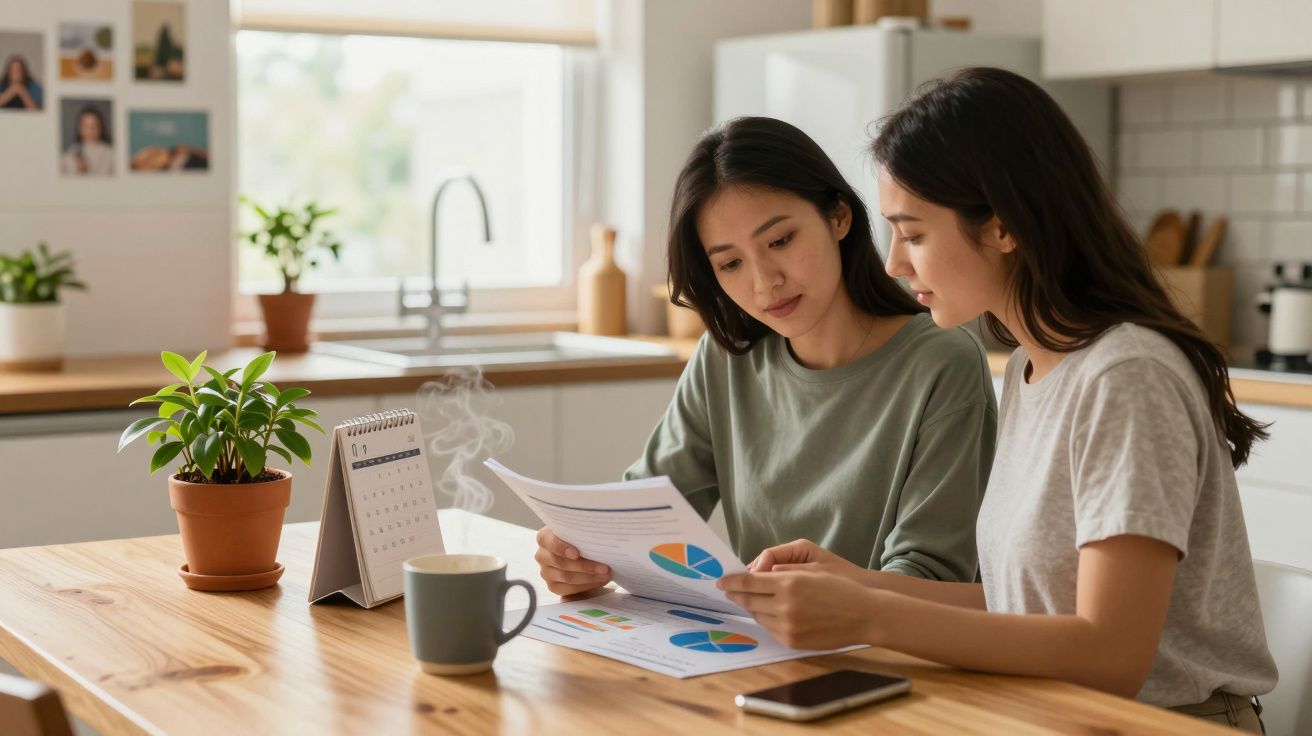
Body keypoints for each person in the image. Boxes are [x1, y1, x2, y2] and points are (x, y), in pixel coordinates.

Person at [718, 68, 1277, 732]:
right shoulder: (1028, 369)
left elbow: (1112, 655)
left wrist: (870, 616)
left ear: (1003, 227)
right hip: (1054, 715)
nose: (894, 263)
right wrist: (857, 583)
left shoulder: (1126, 376)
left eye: (914, 233)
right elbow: (1031, 608)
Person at [535, 116, 997, 597]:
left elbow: (931, 575)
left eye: (780, 241)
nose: (764, 282)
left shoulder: (943, 364)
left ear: (839, 217)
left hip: (895, 656)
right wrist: (581, 554)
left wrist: (833, 605)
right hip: (764, 646)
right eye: (730, 263)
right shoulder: (725, 358)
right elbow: (643, 516)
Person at [60, 106, 113, 176]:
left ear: (101, 128)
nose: (90, 130)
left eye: (94, 126)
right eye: (86, 126)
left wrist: (87, 171)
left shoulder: (110, 153)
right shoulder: (72, 151)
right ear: (79, 128)